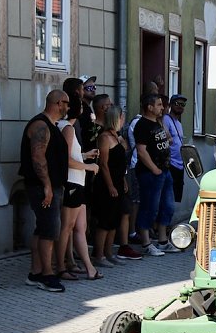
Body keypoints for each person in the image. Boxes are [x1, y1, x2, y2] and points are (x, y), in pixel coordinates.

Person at [19, 90, 69, 293]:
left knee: (43, 228)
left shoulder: (52, 126)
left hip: (51, 185)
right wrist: (47, 186)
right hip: (42, 187)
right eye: (66, 103)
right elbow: (38, 158)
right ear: (57, 103)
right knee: (49, 229)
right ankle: (47, 275)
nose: (68, 107)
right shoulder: (41, 125)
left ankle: (35, 272)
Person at [55, 90, 102, 280]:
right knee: (67, 227)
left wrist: (84, 156)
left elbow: (71, 156)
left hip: (78, 181)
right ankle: (61, 266)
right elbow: (65, 160)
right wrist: (89, 166)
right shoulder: (67, 128)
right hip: (72, 182)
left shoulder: (66, 127)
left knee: (80, 227)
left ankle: (89, 268)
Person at [92, 105, 140, 264]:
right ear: (116, 118)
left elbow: (121, 163)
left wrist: (123, 181)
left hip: (118, 181)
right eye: (122, 117)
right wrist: (111, 185)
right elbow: (104, 164)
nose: (123, 120)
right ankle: (99, 255)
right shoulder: (105, 137)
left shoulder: (116, 136)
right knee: (105, 221)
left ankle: (109, 253)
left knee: (114, 220)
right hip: (107, 184)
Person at [134, 94, 179, 256]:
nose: (162, 108)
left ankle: (162, 241)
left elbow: (168, 140)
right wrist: (154, 169)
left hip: (165, 170)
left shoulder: (158, 122)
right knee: (149, 207)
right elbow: (141, 150)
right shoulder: (142, 125)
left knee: (167, 207)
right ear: (149, 107)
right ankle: (146, 243)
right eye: (159, 105)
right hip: (151, 173)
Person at [164, 94, 187, 201]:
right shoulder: (166, 119)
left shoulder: (179, 124)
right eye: (177, 103)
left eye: (183, 104)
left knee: (175, 199)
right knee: (168, 200)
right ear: (170, 105)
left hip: (179, 165)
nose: (180, 106)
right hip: (171, 164)